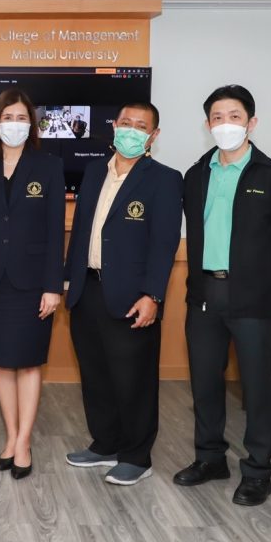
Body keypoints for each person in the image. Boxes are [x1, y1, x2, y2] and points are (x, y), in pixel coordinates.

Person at [173, 85, 271, 506]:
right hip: (203, 294)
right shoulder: (196, 175)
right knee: (205, 382)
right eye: (217, 117)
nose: (225, 124)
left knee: (257, 387)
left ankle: (258, 470)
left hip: (253, 299)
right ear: (207, 124)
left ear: (251, 122)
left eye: (234, 116)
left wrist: (256, 276)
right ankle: (210, 458)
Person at [64, 102, 183, 486]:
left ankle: (136, 455)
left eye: (141, 126)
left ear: (154, 135)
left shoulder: (164, 179)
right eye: (126, 123)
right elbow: (81, 231)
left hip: (133, 296)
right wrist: (68, 280)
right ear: (114, 126)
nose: (131, 130)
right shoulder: (94, 171)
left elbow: (164, 243)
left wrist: (153, 295)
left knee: (134, 380)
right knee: (95, 374)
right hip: (87, 289)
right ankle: (105, 444)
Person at [0, 88, 65, 479]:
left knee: (30, 363)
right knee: (2, 364)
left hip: (34, 282)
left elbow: (55, 230)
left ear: (31, 125)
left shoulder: (49, 166)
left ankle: (24, 442)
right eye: (8, 118)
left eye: (21, 118)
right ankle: (10, 436)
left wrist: (53, 286)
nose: (14, 124)